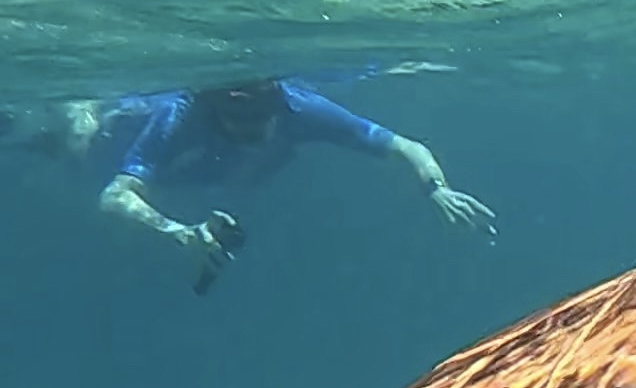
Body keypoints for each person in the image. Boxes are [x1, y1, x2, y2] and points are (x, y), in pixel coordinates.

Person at [1, 71, 493, 291]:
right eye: (242, 122)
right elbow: (115, 195)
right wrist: (179, 233)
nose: (256, 131)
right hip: (110, 134)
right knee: (71, 139)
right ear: (216, 111)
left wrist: (436, 189)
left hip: (190, 175)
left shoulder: (299, 107)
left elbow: (406, 145)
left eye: (263, 118)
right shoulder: (180, 117)